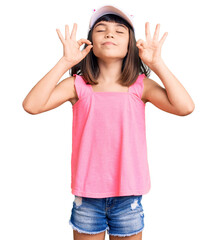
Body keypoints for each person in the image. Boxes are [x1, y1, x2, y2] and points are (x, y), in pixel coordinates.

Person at [22, 4, 195, 240]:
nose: (110, 34)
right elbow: (31, 105)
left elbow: (185, 107)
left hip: (128, 196)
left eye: (119, 31)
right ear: (90, 42)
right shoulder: (77, 85)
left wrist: (157, 65)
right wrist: (65, 62)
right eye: (101, 29)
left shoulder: (140, 86)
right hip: (88, 196)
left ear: (130, 45)